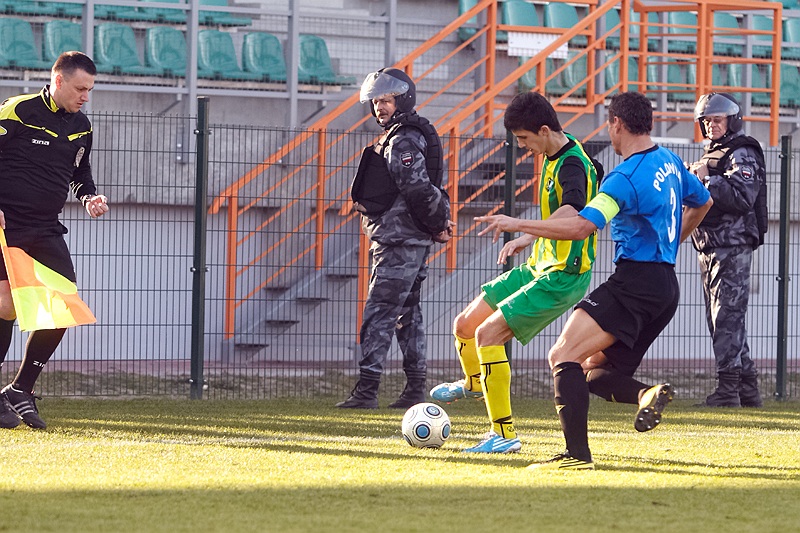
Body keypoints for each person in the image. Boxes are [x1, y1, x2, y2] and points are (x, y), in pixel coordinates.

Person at [476, 91, 713, 470]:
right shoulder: (670, 161)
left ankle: (576, 456)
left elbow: (581, 226)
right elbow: (704, 202)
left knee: (561, 355)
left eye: (609, 124)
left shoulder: (623, 178)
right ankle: (647, 394)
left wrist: (517, 224)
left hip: (634, 283)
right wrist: (671, 245)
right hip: (666, 287)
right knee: (593, 372)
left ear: (617, 124)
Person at [429, 91, 601, 454]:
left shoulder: (572, 164)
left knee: (488, 334)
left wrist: (520, 226)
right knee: (465, 324)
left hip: (563, 274)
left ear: (544, 130)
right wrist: (527, 239)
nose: (522, 146)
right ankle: (475, 383)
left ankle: (504, 435)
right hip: (539, 264)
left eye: (524, 138)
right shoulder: (559, 153)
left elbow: (573, 213)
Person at [0, 51, 109, 430]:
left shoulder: (82, 126)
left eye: (90, 90)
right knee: (6, 304)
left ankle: (20, 389)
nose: (85, 97)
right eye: (80, 88)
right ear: (58, 81)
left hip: (46, 227)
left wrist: (89, 196)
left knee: (64, 305)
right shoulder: (17, 110)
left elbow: (80, 172)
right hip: (6, 227)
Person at [336, 68, 453, 409]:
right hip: (407, 238)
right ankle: (414, 389)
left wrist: (439, 223)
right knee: (408, 314)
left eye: (386, 101)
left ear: (403, 100)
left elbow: (418, 188)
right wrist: (436, 223)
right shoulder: (403, 135)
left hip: (400, 242)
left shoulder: (402, 140)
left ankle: (367, 390)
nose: (379, 108)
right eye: (375, 102)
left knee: (381, 311)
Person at [689, 93, 767, 408]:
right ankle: (747, 391)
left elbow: (743, 196)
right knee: (724, 320)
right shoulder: (713, 152)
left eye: (717, 119)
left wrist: (707, 181)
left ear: (731, 120)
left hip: (731, 247)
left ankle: (728, 391)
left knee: (726, 318)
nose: (711, 126)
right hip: (710, 246)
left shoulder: (742, 151)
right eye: (706, 121)